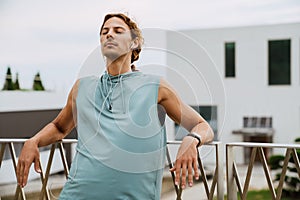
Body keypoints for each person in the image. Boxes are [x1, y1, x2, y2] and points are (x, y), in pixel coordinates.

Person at [16, 13, 214, 199]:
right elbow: (59, 127)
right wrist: (33, 141)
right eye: (104, 32)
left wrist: (191, 140)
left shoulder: (156, 86)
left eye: (118, 31)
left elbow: (202, 126)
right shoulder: (82, 87)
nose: (109, 34)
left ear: (134, 43)